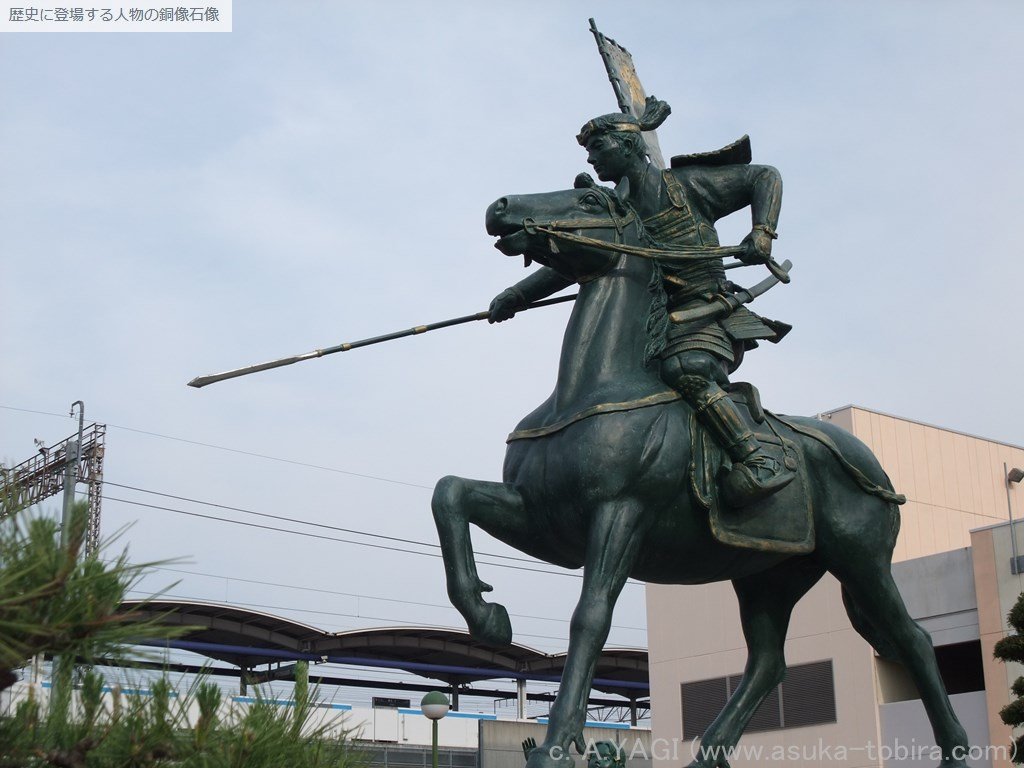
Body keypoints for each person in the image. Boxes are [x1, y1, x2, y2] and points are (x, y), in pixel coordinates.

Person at [489, 98, 794, 508]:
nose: (592, 158)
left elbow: (765, 177)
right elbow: (578, 255)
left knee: (688, 370)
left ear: (629, 144)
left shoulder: (685, 186)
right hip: (649, 322)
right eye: (588, 151)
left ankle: (756, 459)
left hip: (705, 313)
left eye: (600, 147)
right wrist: (518, 294)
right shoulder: (618, 208)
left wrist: (762, 232)